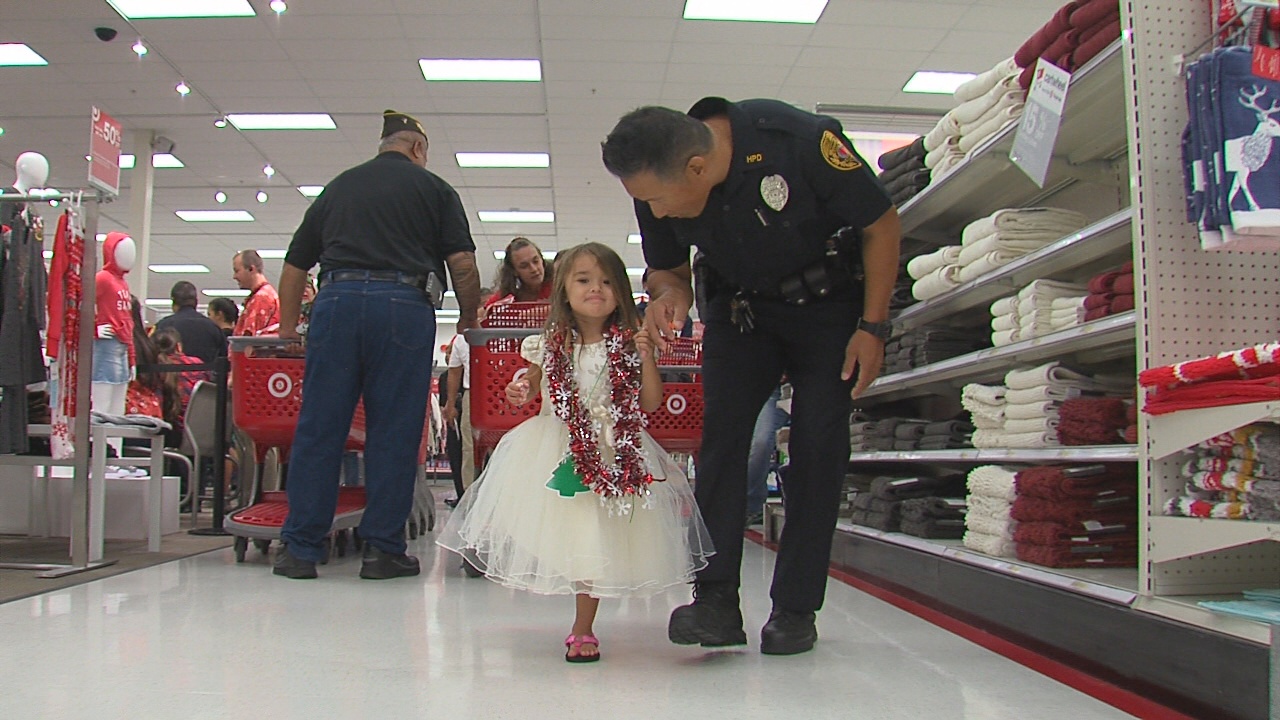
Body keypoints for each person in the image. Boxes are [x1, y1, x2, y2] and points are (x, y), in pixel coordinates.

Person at [602, 98, 901, 655]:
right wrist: (668, 297)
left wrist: (874, 327)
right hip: (740, 313)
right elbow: (667, 268)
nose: (658, 213)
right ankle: (715, 602)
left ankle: (795, 609)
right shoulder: (653, 178)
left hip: (826, 307)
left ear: (696, 168)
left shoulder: (800, 142)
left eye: (658, 200)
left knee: (818, 445)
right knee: (722, 445)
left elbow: (880, 224)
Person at [438, 242, 713, 663]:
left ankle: (583, 627)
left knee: (594, 537)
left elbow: (652, 403)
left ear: (621, 292)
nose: (596, 289)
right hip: (556, 450)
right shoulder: (548, 344)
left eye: (606, 281)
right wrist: (519, 389)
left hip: (615, 454)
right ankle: (580, 622)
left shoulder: (627, 345)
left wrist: (646, 358)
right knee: (574, 535)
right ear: (563, 289)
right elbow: (529, 387)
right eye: (583, 280)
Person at [272, 108, 482, 580]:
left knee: (320, 427)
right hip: (403, 307)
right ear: (419, 149)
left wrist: (288, 330)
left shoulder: (339, 187)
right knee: (394, 430)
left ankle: (301, 549)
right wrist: (468, 322)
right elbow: (462, 264)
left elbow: (293, 266)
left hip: (336, 301)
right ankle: (382, 551)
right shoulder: (435, 190)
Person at [155, 281, 227, 361]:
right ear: (196, 302)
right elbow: (224, 359)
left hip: (173, 373)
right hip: (206, 372)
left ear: (173, 301)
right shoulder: (213, 327)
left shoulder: (163, 326)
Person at [441, 332, 473, 493]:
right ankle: (469, 493)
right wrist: (451, 404)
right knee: (469, 447)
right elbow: (454, 372)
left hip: (507, 390)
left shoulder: (502, 330)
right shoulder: (462, 339)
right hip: (473, 394)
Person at [484, 237, 553, 307]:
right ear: (514, 271)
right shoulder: (507, 296)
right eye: (524, 266)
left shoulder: (558, 288)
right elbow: (483, 312)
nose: (534, 269)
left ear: (542, 260)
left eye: (536, 261)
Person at [231, 249, 280, 336]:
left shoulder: (261, 298)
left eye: (237, 271)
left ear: (251, 269)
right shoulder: (264, 294)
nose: (234, 277)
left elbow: (250, 340)